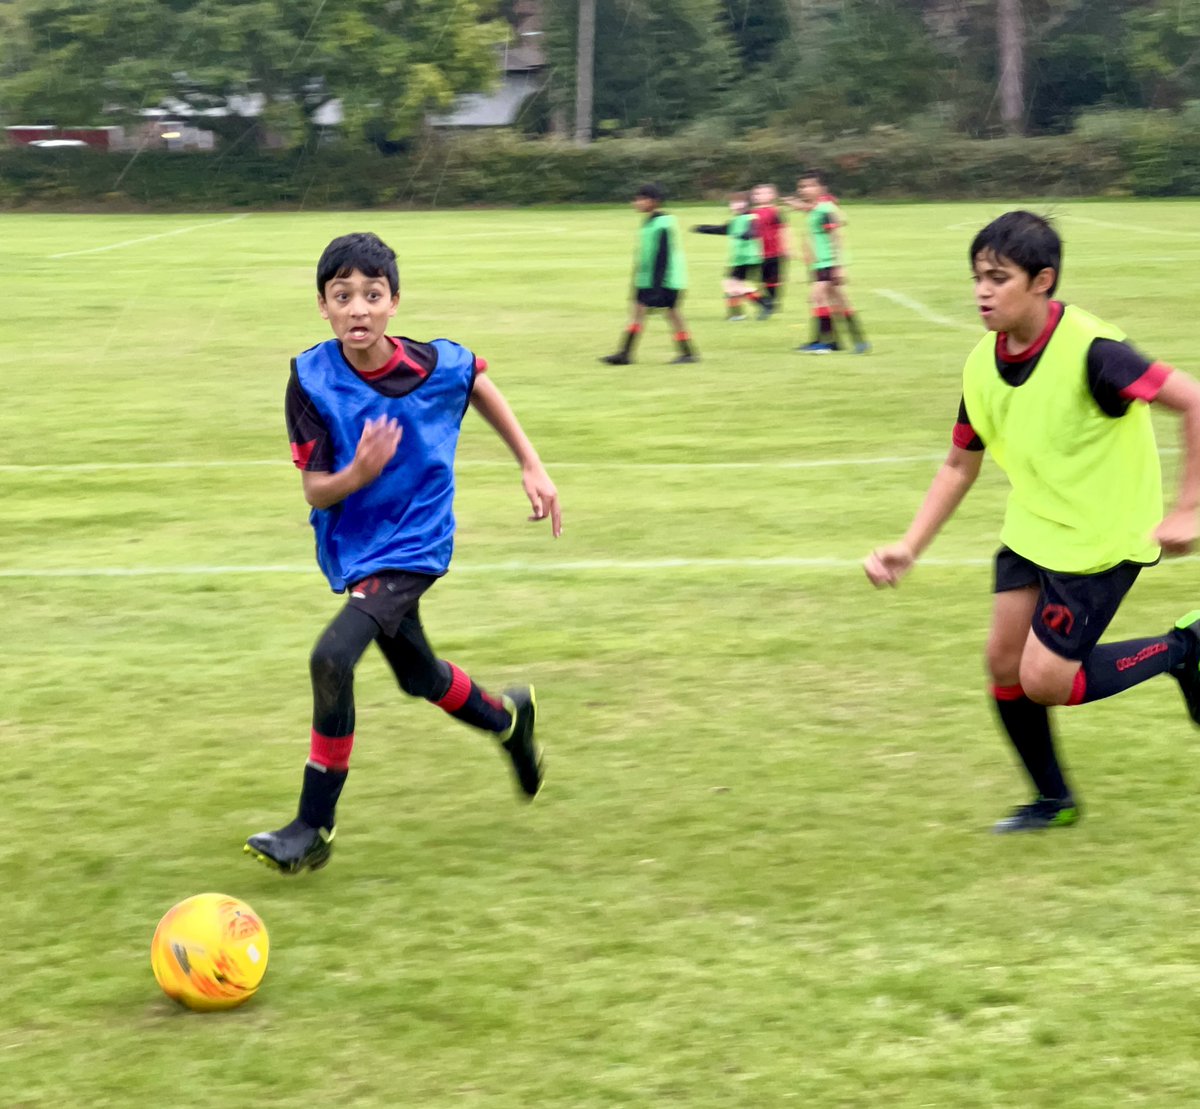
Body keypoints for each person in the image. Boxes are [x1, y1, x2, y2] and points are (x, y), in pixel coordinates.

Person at [864, 210, 1200, 832]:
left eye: (999, 277)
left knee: (1045, 680)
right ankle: (1054, 801)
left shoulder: (1096, 353)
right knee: (1002, 667)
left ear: (1042, 281)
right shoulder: (980, 365)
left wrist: (1187, 508)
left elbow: (1193, 400)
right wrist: (909, 546)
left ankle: (1185, 649)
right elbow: (959, 466)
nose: (983, 291)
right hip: (1034, 528)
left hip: (1101, 538)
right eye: (977, 277)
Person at [245, 231, 562, 874]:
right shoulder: (309, 379)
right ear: (322, 305)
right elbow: (315, 487)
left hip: (415, 542)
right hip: (357, 545)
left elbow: (477, 382)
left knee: (332, 657)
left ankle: (313, 825)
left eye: (371, 294)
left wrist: (532, 464)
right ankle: (508, 723)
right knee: (419, 676)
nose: (357, 308)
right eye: (343, 296)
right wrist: (358, 473)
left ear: (394, 302)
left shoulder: (433, 364)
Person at [601, 183, 698, 365]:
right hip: (647, 279)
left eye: (640, 199)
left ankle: (688, 353)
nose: (636, 203)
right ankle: (625, 354)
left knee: (672, 314)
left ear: (653, 202)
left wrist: (657, 286)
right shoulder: (649, 222)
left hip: (666, 280)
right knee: (643, 312)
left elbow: (663, 257)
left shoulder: (663, 223)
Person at [792, 171, 869, 354]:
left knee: (818, 298)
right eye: (802, 186)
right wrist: (800, 206)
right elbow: (816, 211)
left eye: (810, 185)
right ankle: (854, 341)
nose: (805, 190)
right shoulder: (818, 208)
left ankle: (827, 342)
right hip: (820, 263)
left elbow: (837, 236)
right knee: (839, 300)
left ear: (821, 188)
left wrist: (839, 266)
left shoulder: (826, 209)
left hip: (829, 262)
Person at [691, 190, 763, 321]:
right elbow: (721, 229)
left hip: (747, 258)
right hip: (739, 258)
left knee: (731, 285)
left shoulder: (751, 217)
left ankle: (751, 308)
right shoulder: (735, 220)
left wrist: (745, 234)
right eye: (732, 202)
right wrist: (702, 228)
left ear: (745, 204)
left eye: (736, 202)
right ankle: (744, 311)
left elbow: (753, 231)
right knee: (733, 286)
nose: (732, 205)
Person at [749, 183, 789, 319]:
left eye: (765, 193)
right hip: (758, 253)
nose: (760, 196)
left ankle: (771, 303)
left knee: (773, 279)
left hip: (774, 251)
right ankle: (768, 303)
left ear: (772, 195)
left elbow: (783, 229)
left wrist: (785, 247)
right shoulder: (751, 213)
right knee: (760, 280)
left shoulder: (775, 212)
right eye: (757, 194)